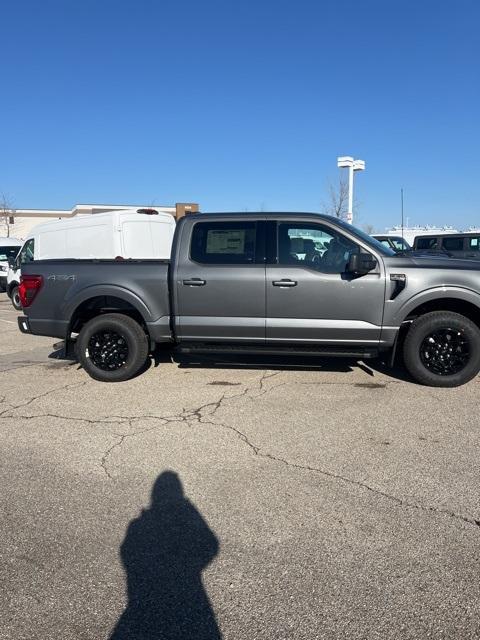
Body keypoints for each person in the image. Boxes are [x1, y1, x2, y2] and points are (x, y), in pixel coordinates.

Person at [110, 471, 221, 640]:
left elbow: (127, 552)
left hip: (140, 600)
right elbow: (211, 544)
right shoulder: (139, 525)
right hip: (190, 596)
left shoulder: (137, 525)